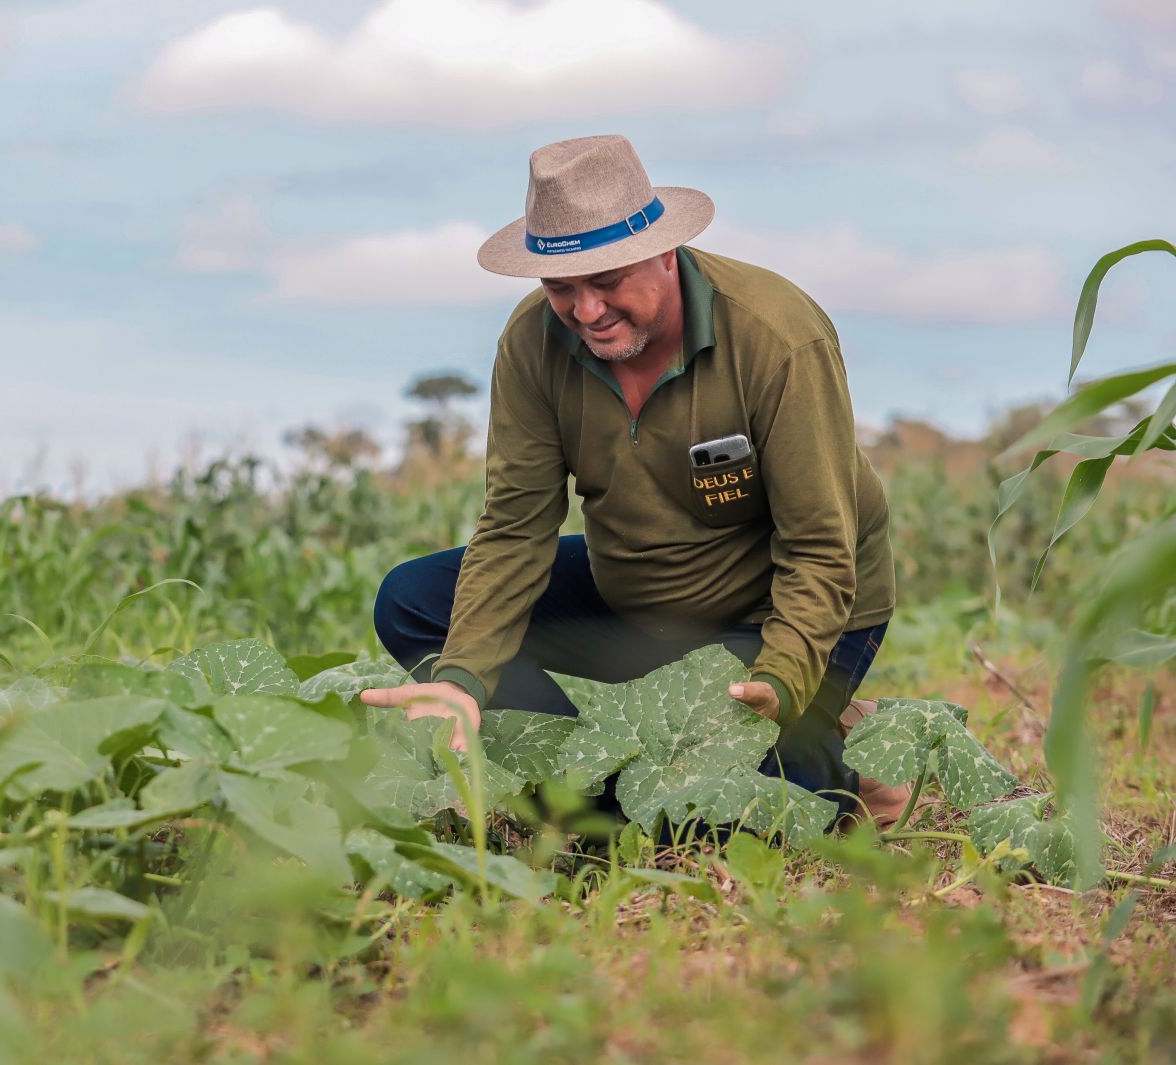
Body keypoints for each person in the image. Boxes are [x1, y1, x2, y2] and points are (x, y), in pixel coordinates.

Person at [359, 134, 897, 821]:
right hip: (643, 600)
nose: (587, 313)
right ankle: (580, 783)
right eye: (561, 288)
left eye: (607, 282)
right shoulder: (531, 343)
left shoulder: (776, 334)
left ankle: (834, 746)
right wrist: (461, 678)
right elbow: (514, 529)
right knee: (413, 600)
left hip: (779, 608)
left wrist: (783, 676)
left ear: (663, 253)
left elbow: (822, 544)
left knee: (771, 809)